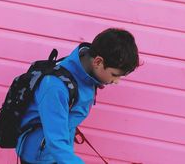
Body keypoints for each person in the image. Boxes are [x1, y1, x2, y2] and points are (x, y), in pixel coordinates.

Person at [16, 28, 140, 164]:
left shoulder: (86, 70)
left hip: (60, 149)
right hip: (40, 156)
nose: (116, 81)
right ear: (98, 62)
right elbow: (56, 142)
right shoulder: (55, 87)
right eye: (114, 75)